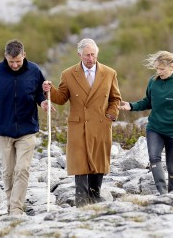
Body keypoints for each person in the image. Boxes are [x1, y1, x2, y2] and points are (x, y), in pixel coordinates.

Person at [42, 38, 121, 207]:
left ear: (97, 53)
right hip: (79, 126)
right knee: (80, 165)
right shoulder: (68, 74)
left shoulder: (109, 73)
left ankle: (95, 200)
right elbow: (62, 98)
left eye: (93, 55)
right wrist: (49, 90)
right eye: (86, 56)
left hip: (101, 124)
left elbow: (115, 98)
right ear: (79, 55)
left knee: (98, 164)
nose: (90, 59)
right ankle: (81, 205)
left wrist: (111, 115)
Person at [0, 39, 53, 216]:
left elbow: (39, 93)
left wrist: (43, 102)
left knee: (22, 169)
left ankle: (16, 210)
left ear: (24, 55)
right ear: (5, 57)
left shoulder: (34, 70)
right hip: (3, 131)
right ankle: (11, 205)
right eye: (11, 61)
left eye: (18, 61)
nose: (15, 65)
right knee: (8, 172)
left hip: (27, 130)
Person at [119, 51, 173, 195]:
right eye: (157, 69)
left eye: (162, 69)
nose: (159, 72)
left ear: (172, 66)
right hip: (155, 128)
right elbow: (148, 101)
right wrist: (131, 106)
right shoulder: (153, 81)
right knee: (154, 157)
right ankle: (163, 193)